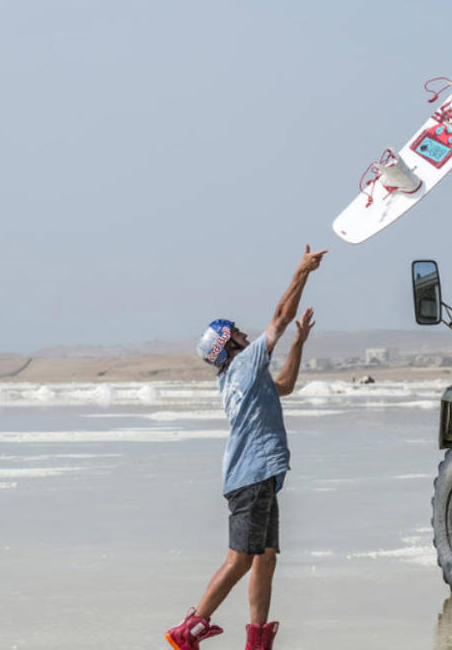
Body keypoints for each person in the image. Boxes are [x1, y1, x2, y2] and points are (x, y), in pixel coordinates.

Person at [165, 245, 327, 650]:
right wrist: (302, 271)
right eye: (236, 332)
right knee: (240, 559)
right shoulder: (243, 365)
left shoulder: (239, 376)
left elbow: (284, 387)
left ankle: (257, 640)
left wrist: (298, 343)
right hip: (252, 478)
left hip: (259, 477)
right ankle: (189, 630)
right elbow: (280, 316)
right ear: (228, 345)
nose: (245, 333)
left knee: (265, 557)